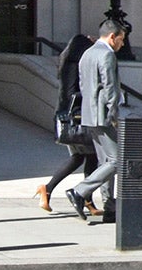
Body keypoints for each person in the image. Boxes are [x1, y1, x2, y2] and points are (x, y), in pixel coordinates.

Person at [66, 15, 129, 224]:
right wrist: (114, 114)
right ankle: (79, 191)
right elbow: (110, 87)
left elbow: (84, 86)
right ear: (113, 37)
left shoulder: (87, 54)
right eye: (121, 39)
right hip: (104, 115)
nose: (122, 44)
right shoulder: (107, 55)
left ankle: (109, 207)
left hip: (90, 114)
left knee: (105, 162)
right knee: (117, 160)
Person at [35, 33, 96, 214]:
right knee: (88, 155)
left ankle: (53, 190)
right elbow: (78, 93)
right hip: (76, 117)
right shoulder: (76, 68)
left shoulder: (66, 64)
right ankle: (82, 197)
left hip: (67, 115)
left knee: (83, 156)